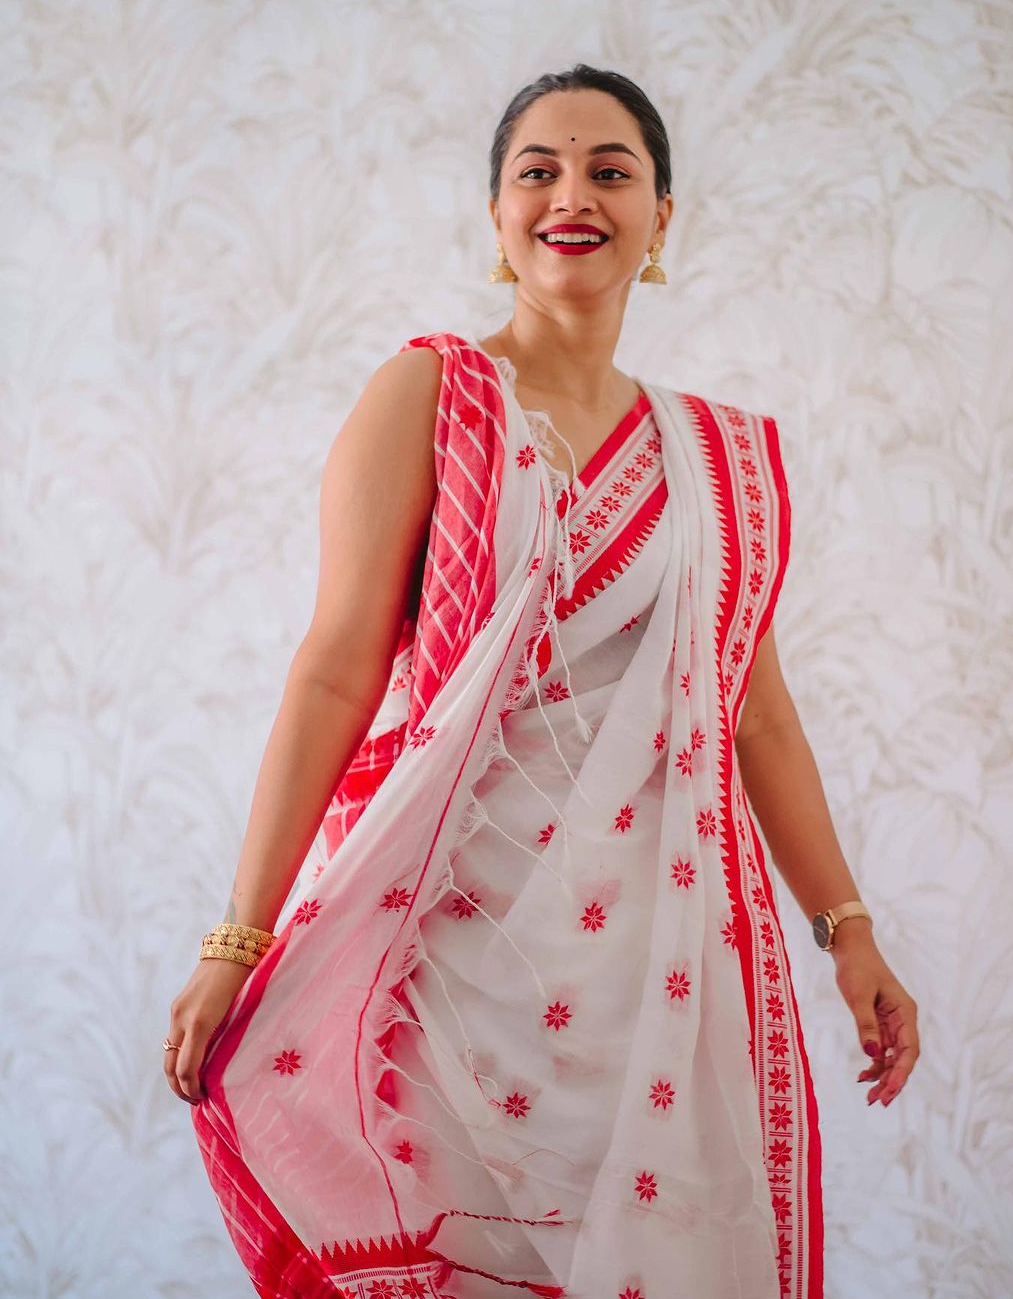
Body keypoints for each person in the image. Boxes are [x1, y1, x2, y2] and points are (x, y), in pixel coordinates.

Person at [164, 63, 920, 1299]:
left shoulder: (720, 460)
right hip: (451, 954)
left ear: (662, 219)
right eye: (540, 171)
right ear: (497, 215)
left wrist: (850, 932)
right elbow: (334, 672)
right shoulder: (433, 395)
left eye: (612, 171)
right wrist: (237, 939)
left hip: (658, 967)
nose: (575, 195)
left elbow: (758, 711)